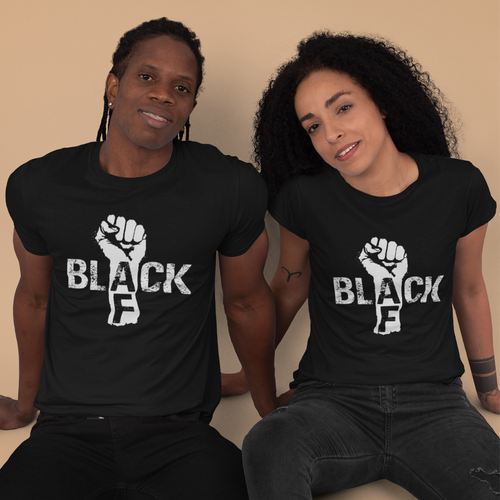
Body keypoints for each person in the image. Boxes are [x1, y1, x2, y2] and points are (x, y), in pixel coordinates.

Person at [0, 17, 278, 500]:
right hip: (66, 430)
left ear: (190, 106)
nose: (164, 94)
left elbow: (247, 304)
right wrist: (26, 407)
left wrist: (270, 407)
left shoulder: (229, 187)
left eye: (182, 87)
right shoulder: (39, 185)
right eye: (147, 76)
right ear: (114, 85)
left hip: (180, 435)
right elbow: (35, 298)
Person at [227, 32, 500, 499]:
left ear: (383, 101)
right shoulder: (304, 198)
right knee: (268, 444)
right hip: (331, 400)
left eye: (343, 108)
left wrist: (489, 388)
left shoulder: (459, 187)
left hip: (434, 404)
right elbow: (289, 287)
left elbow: (469, 289)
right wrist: (251, 374)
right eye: (312, 125)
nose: (330, 133)